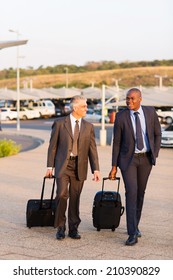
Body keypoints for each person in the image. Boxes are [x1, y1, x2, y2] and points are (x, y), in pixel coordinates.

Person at [109, 88, 161, 246]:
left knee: (140, 194)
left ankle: (135, 225)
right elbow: (116, 142)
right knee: (131, 193)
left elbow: (158, 134)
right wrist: (114, 166)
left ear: (140, 99)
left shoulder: (150, 112)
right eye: (127, 99)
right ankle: (132, 233)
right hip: (128, 161)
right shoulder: (121, 116)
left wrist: (155, 153)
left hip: (145, 160)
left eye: (132, 99)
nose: (128, 102)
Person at [45, 95, 100, 240]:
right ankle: (61, 227)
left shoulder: (89, 127)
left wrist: (96, 169)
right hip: (63, 165)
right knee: (61, 194)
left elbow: (92, 149)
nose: (86, 109)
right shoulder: (59, 123)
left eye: (86, 106)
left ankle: (74, 228)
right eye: (84, 106)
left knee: (75, 197)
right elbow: (52, 147)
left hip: (79, 166)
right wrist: (49, 166)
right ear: (75, 108)